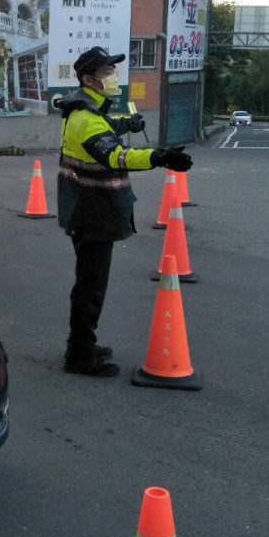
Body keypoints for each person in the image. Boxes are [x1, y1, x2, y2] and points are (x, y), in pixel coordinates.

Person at [56, 47, 193, 377]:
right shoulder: (85, 119)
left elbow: (105, 127)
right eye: (107, 72)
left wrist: (126, 123)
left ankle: (83, 344)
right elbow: (115, 156)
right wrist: (158, 156)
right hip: (92, 213)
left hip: (89, 210)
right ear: (90, 80)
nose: (113, 77)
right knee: (91, 286)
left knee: (89, 283)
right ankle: (80, 354)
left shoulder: (89, 111)